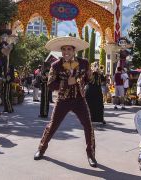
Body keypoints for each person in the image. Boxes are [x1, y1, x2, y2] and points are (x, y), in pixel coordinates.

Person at [33, 36, 97, 167]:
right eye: (63, 49)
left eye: (69, 49)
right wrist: (66, 83)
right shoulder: (55, 65)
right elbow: (50, 84)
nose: (66, 52)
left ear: (74, 50)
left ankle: (91, 154)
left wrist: (92, 75)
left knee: (88, 126)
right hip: (63, 100)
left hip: (80, 99)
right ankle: (41, 148)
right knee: (52, 126)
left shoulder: (84, 63)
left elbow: (90, 80)